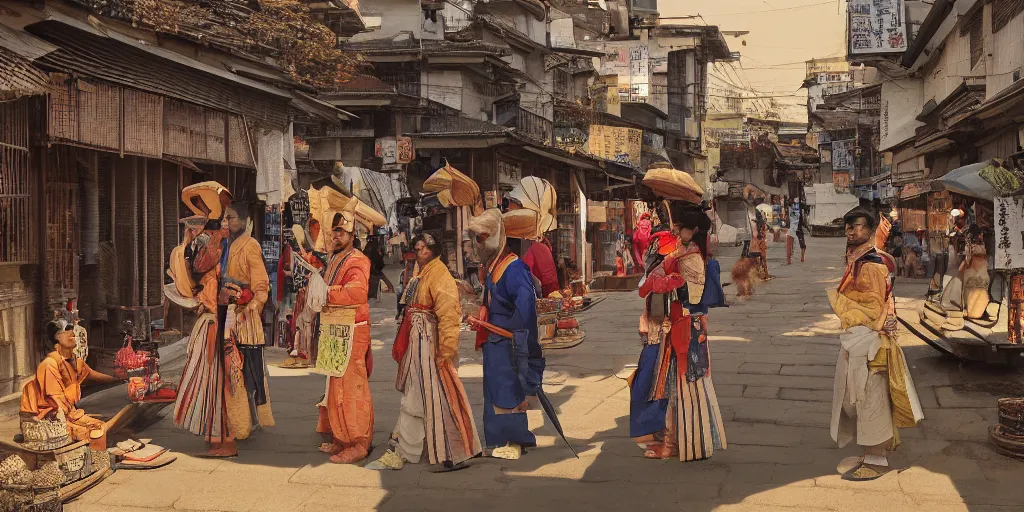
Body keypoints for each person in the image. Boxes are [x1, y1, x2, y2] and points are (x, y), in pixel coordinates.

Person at [367, 234, 482, 471]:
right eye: (417, 248)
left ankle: (444, 452)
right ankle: (412, 448)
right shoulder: (424, 273)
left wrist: (446, 349)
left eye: (422, 249)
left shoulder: (439, 276)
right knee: (421, 397)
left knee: (434, 397)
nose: (418, 252)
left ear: (433, 250)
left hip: (431, 347)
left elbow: (449, 315)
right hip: (419, 346)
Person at [829, 207, 923, 481]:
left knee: (871, 399)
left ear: (870, 231)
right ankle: (873, 451)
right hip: (860, 336)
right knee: (857, 398)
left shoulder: (871, 263)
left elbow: (873, 306)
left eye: (857, 226)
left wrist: (876, 326)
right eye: (848, 226)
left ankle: (877, 459)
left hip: (870, 339)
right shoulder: (858, 259)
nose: (851, 231)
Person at [632, 202, 728, 461]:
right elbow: (650, 282)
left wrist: (665, 281)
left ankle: (677, 444)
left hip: (687, 328)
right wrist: (662, 277)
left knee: (683, 389)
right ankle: (679, 442)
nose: (675, 229)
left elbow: (691, 293)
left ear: (693, 230)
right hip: (678, 325)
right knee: (675, 386)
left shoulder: (693, 256)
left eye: (680, 227)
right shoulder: (682, 251)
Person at [170, 181, 251, 457]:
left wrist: (194, 241)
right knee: (215, 380)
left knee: (217, 380)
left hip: (215, 321)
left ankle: (225, 441)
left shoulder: (214, 244)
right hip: (215, 318)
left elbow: (199, 267)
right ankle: (219, 437)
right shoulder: (217, 244)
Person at [468, 209, 545, 460]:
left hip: (509, 342)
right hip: (494, 342)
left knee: (508, 390)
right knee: (493, 391)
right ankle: (497, 440)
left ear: (497, 235)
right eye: (475, 237)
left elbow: (526, 310)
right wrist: (482, 312)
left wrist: (525, 345)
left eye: (481, 237)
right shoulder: (494, 267)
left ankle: (515, 439)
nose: (477, 243)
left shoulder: (514, 269)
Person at [305, 205, 376, 464]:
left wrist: (326, 293)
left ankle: (358, 443)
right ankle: (341, 437)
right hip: (336, 331)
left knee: (352, 389)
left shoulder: (358, 260)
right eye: (333, 232)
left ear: (351, 235)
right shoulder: (335, 259)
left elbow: (357, 294)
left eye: (341, 232)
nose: (335, 237)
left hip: (352, 332)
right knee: (335, 388)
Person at [20, 318, 121, 446]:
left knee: (101, 427)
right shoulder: (49, 365)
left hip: (68, 414)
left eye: (71, 329)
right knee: (95, 433)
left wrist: (119, 380)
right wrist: (79, 422)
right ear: (57, 337)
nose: (71, 332)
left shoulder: (74, 361)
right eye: (65, 330)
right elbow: (57, 404)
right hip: (46, 421)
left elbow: (90, 374)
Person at [222, 202, 275, 429]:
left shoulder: (250, 245)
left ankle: (249, 421)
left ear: (243, 221)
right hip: (229, 313)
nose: (227, 222)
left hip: (245, 316)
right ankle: (236, 420)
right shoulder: (226, 245)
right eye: (225, 218)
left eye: (231, 217)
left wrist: (251, 305)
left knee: (247, 371)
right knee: (231, 371)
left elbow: (262, 286)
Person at [960, 226, 989, 320]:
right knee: (979, 288)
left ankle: (971, 310)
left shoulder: (972, 242)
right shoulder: (982, 242)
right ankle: (979, 311)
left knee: (971, 289)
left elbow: (968, 255)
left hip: (975, 266)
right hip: (979, 265)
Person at [787, 198, 808, 264]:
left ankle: (790, 260)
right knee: (802, 244)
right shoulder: (799, 205)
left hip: (793, 228)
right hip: (797, 227)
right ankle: (801, 258)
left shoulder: (791, 207)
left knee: (790, 244)